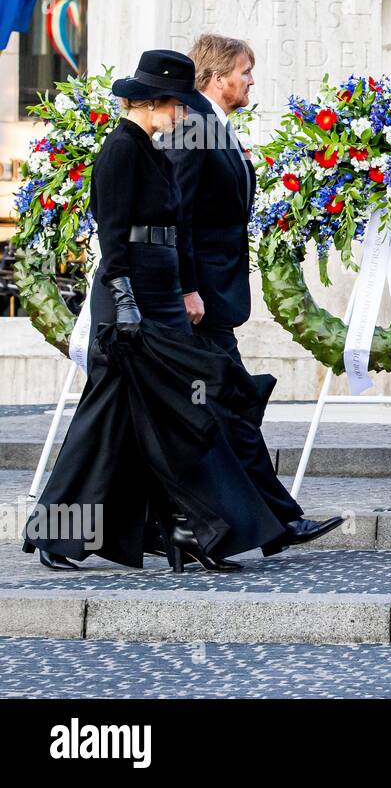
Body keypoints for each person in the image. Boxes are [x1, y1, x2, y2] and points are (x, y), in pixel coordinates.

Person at [24, 50, 290, 572]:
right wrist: (125, 305)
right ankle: (86, 533)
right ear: (153, 103)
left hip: (159, 291)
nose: (187, 117)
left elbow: (171, 226)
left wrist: (173, 291)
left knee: (159, 415)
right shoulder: (122, 149)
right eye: (179, 106)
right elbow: (114, 234)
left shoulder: (146, 147)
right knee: (114, 416)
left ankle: (183, 527)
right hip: (135, 296)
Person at [169, 33, 341, 551]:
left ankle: (230, 523)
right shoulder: (193, 127)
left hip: (215, 297)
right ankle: (277, 520)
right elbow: (178, 213)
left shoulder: (214, 125)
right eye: (244, 71)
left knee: (222, 408)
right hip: (200, 303)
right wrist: (188, 288)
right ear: (218, 77)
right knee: (231, 407)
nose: (250, 80)